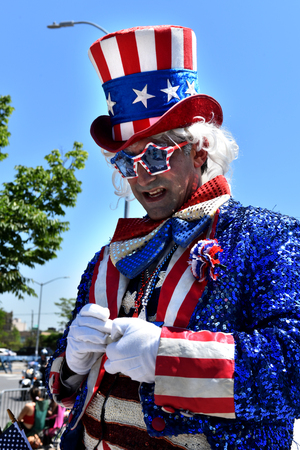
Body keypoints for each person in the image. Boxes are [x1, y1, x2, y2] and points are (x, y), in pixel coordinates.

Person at [46, 25, 300, 450]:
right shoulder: (107, 257)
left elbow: (293, 368)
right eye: (128, 162)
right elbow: (62, 376)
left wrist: (170, 358)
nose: (141, 176)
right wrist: (70, 362)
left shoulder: (268, 237)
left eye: (156, 154)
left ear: (199, 150)